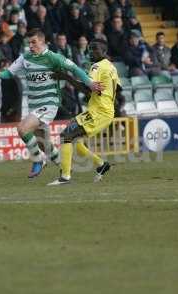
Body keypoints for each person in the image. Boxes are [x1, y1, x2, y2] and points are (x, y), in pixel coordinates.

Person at [0, 29, 103, 178]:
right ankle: (64, 168)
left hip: (49, 103)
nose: (31, 46)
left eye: (34, 42)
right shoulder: (24, 58)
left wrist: (90, 83)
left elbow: (75, 68)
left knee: (22, 129)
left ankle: (38, 159)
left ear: (42, 42)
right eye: (29, 43)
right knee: (43, 143)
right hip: (34, 104)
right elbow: (8, 74)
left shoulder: (54, 58)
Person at [48, 39, 119, 185]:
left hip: (99, 111)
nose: (91, 52)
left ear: (104, 51)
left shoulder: (97, 67)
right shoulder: (111, 67)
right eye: (90, 49)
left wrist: (66, 76)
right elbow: (108, 89)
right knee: (75, 140)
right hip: (102, 110)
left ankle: (65, 177)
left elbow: (88, 89)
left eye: (95, 49)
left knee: (66, 135)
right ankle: (101, 165)